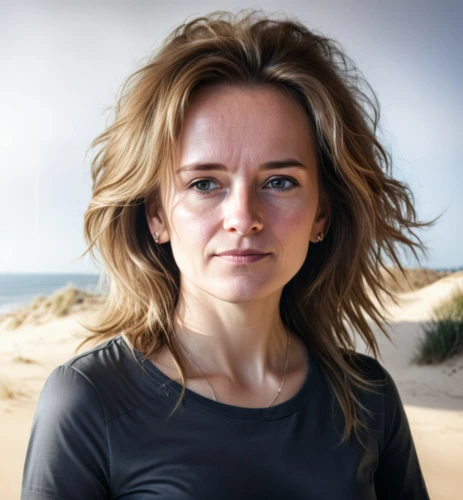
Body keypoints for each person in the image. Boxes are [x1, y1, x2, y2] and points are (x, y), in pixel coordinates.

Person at [21, 9, 435, 499]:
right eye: (204, 183)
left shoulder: (369, 399)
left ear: (321, 213)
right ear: (157, 215)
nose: (243, 216)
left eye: (279, 182)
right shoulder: (90, 403)